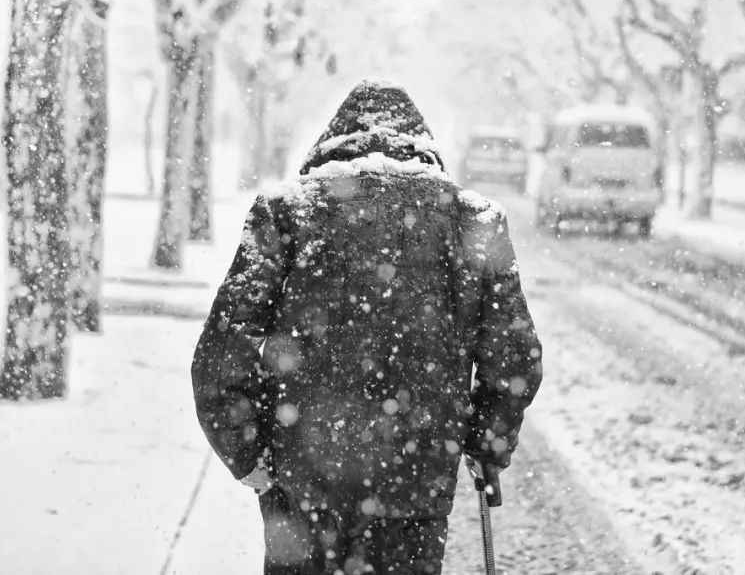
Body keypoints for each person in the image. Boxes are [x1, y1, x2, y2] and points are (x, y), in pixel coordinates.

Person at [192, 81, 543, 574]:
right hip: (416, 481)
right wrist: (487, 444)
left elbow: (224, 347)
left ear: (331, 143)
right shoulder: (472, 221)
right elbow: (514, 357)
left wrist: (246, 451)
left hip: (302, 480)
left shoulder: (291, 212)